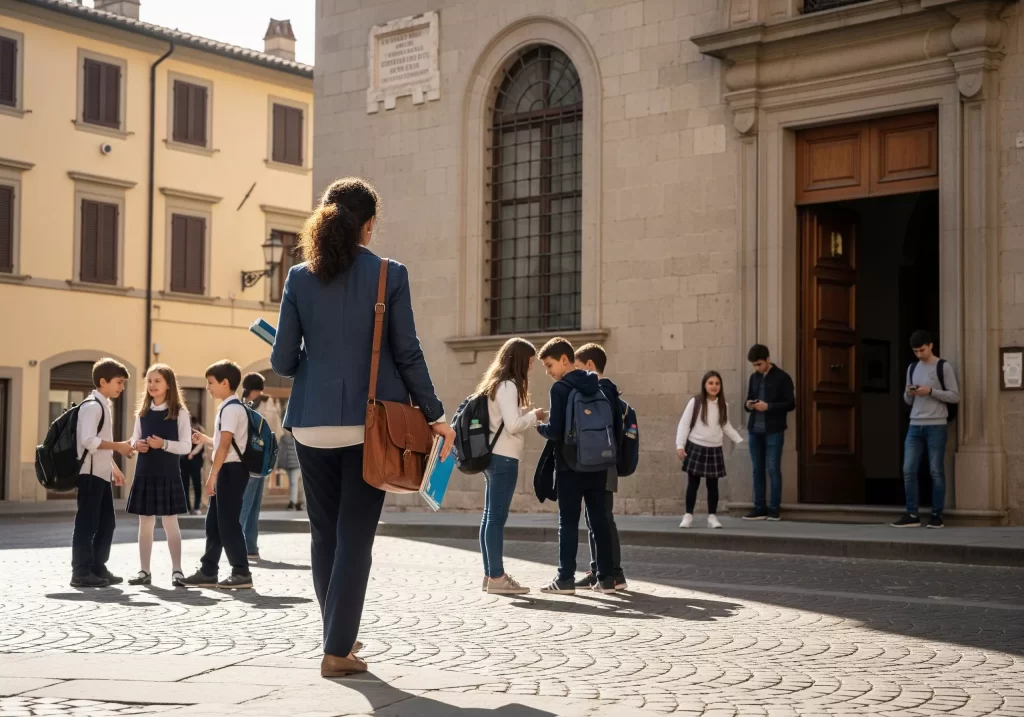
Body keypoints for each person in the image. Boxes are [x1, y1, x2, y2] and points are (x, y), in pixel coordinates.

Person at [270, 177, 454, 678]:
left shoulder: (298, 278)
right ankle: (337, 648)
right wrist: (435, 415)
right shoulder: (388, 275)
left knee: (323, 533)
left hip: (309, 424)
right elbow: (407, 352)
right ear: (367, 225)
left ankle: (336, 637)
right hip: (367, 425)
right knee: (355, 537)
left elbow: (284, 360)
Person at [535, 337, 617, 596]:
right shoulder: (597, 384)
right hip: (598, 462)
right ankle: (606, 580)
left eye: (549, 365)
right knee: (599, 522)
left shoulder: (559, 390)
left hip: (570, 465)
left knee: (568, 522)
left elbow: (556, 431)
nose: (548, 372)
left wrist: (539, 426)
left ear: (564, 360)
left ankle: (565, 579)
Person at [475, 338, 546, 596]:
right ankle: (497, 577)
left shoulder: (497, 385)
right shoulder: (508, 386)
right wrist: (534, 416)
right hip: (503, 458)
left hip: (496, 457)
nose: (530, 368)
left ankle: (491, 574)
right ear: (519, 360)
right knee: (495, 518)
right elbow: (513, 424)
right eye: (529, 363)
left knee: (490, 517)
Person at [180, 360, 253, 590]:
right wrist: (206, 440)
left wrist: (212, 475)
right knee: (214, 523)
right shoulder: (229, 407)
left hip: (231, 471)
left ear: (225, 383)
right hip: (230, 468)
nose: (208, 387)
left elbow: (225, 447)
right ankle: (208, 571)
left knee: (228, 523)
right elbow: (224, 443)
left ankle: (241, 572)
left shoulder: (231, 409)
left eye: (211, 383)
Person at [124, 364, 192, 587]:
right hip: (144, 472)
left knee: (171, 523)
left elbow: (185, 446)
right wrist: (138, 445)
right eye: (149, 381)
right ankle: (144, 571)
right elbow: (133, 439)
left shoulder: (180, 413)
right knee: (145, 524)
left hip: (168, 473)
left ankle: (177, 570)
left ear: (168, 385)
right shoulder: (142, 412)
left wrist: (163, 444)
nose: (152, 385)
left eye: (157, 381)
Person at [71, 358, 134, 588]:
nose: (122, 387)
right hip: (89, 476)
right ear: (103, 381)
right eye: (119, 382)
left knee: (107, 524)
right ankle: (80, 572)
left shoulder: (104, 404)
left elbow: (98, 445)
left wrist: (113, 468)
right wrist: (118, 446)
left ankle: (98, 567)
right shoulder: (92, 406)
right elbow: (88, 441)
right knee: (87, 525)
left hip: (100, 474)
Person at [573, 343, 627, 591]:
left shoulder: (602, 392)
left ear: (589, 366)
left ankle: (612, 574)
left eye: (577, 367)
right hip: (603, 462)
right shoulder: (609, 392)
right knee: (597, 518)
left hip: (602, 463)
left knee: (602, 519)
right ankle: (600, 570)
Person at [892, 330, 960, 529]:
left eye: (922, 350)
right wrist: (909, 393)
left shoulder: (943, 366)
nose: (919, 354)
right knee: (908, 469)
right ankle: (912, 514)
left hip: (936, 425)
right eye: (915, 351)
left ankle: (936, 515)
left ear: (930, 345)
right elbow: (908, 401)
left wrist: (929, 391)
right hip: (914, 424)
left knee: (936, 470)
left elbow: (955, 396)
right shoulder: (912, 368)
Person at [676, 370, 744, 529]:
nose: (714, 387)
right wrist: (680, 445)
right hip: (696, 446)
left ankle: (712, 517)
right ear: (705, 385)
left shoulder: (723, 405)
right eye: (711, 383)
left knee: (713, 485)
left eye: (717, 383)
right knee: (693, 484)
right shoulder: (696, 402)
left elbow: (726, 426)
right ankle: (688, 515)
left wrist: (739, 440)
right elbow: (684, 424)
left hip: (714, 449)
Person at [743, 345, 795, 521]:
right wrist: (748, 405)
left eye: (758, 364)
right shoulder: (753, 378)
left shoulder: (783, 377)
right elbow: (748, 400)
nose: (756, 368)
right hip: (754, 431)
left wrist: (769, 407)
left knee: (772, 469)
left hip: (774, 430)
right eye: (754, 365)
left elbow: (791, 404)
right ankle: (759, 507)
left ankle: (774, 509)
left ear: (767, 359)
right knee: (757, 469)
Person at [239, 372, 282, 561]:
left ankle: (247, 547)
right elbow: (277, 433)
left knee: (251, 505)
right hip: (253, 461)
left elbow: (276, 432)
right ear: (255, 389)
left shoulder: (241, 404)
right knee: (248, 505)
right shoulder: (258, 405)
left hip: (252, 462)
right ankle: (245, 547)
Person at [180, 416, 205, 515]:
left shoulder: (200, 430)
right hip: (184, 460)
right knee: (184, 484)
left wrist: (193, 453)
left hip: (195, 460)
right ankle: (187, 507)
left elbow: (201, 444)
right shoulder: (183, 431)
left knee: (196, 484)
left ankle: (196, 507)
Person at [277, 429, 304, 511]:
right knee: (296, 484)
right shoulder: (282, 439)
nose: (285, 431)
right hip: (287, 465)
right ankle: (298, 503)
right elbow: (280, 452)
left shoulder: (297, 437)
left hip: (296, 465)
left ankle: (292, 502)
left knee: (294, 483)